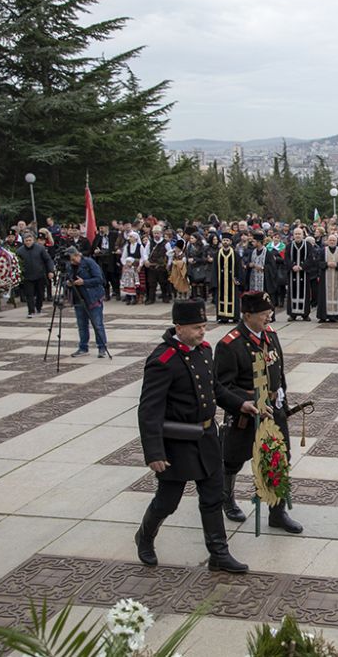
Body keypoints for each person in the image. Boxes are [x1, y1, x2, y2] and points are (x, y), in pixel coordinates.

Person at [135, 299, 248, 573]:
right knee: (167, 501)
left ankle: (219, 554)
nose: (202, 332)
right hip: (177, 444)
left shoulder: (204, 351)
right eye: (197, 327)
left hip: (207, 436)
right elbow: (148, 411)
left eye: (204, 326)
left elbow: (214, 388)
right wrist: (154, 453)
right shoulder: (162, 361)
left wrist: (240, 404)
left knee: (212, 498)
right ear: (179, 327)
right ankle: (145, 536)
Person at [215, 291, 303, 534]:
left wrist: (281, 395)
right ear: (247, 315)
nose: (269, 318)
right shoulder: (229, 344)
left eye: (270, 313)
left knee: (278, 459)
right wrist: (249, 401)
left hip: (273, 413)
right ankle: (226, 498)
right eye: (264, 314)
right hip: (245, 415)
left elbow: (278, 368)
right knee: (233, 460)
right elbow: (222, 386)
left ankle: (277, 512)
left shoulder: (271, 335)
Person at [64, 245, 108, 358]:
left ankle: (102, 347)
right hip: (78, 298)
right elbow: (65, 280)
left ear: (77, 255)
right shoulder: (69, 266)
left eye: (73, 258)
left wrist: (84, 282)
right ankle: (83, 347)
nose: (72, 261)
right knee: (82, 325)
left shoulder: (89, 262)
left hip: (92, 297)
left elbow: (99, 279)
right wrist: (68, 284)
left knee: (97, 324)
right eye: (70, 259)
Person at [16, 232, 55, 318]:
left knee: (40, 293)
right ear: (24, 241)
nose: (28, 242)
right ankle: (31, 311)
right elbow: (17, 263)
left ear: (33, 240)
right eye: (26, 241)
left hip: (40, 275)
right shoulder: (19, 251)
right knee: (29, 294)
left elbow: (48, 260)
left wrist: (50, 271)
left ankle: (38, 307)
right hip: (27, 276)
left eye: (30, 240)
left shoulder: (40, 248)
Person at [284, 227, 316, 321]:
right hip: (292, 274)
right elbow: (286, 259)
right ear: (293, 235)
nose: (297, 235)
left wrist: (302, 266)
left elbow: (310, 258)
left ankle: (305, 314)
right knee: (292, 293)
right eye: (296, 234)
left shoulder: (308, 245)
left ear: (303, 235)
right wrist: (293, 266)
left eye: (299, 234)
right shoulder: (289, 246)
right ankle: (292, 314)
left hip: (304, 274)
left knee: (305, 293)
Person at [316, 234, 338, 322]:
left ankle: (334, 315)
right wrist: (326, 264)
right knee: (323, 296)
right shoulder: (323, 250)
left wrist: (337, 265)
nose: (332, 242)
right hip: (325, 277)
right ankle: (323, 316)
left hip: (336, 277)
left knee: (336, 295)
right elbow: (318, 262)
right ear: (328, 241)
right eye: (330, 240)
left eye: (334, 240)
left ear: (336, 242)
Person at [215, 235, 242, 323]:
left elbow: (239, 268)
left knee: (233, 298)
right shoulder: (218, 254)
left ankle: (235, 317)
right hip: (221, 281)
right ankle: (223, 317)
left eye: (227, 240)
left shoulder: (235, 254)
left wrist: (238, 279)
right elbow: (214, 269)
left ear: (230, 242)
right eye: (224, 240)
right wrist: (215, 281)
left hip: (232, 281)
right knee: (221, 297)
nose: (225, 242)